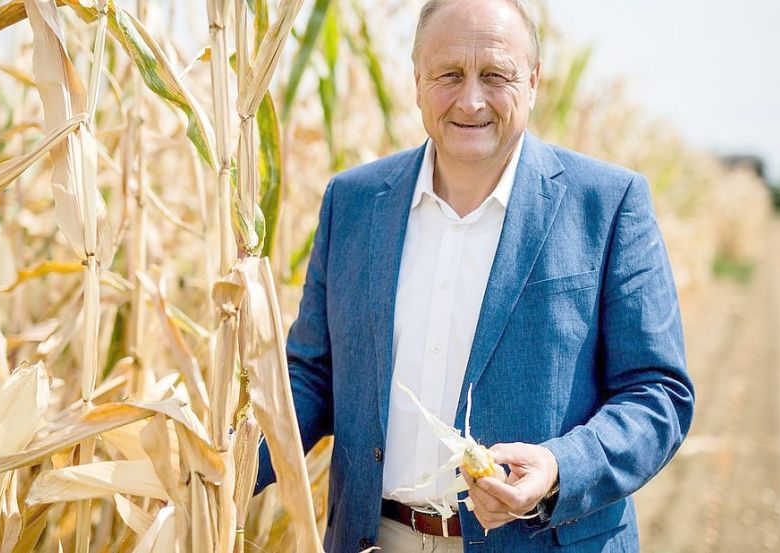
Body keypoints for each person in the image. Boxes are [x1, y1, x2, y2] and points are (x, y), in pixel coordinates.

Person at [255, 0, 695, 550]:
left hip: (541, 540)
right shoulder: (354, 202)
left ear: (533, 81)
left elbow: (658, 395)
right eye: (448, 75)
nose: (471, 99)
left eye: (495, 75)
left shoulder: (606, 204)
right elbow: (314, 377)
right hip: (376, 538)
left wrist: (558, 467)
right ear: (417, 82)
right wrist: (219, 464)